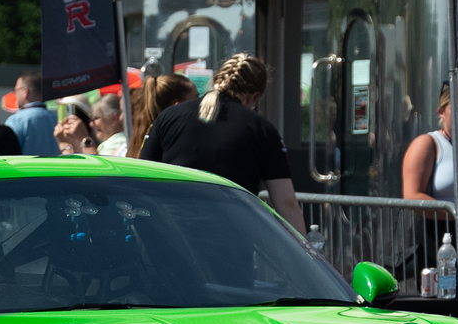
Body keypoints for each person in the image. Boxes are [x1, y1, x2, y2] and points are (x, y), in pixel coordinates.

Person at [142, 53, 306, 232]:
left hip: (173, 236)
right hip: (232, 240)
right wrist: (307, 256)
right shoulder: (262, 130)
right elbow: (287, 204)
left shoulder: (168, 117)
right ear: (254, 96)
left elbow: (141, 178)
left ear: (216, 81)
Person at [402, 82, 458, 205]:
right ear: (441, 112)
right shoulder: (427, 144)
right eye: (457, 108)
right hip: (441, 224)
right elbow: (412, 196)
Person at [128, 72, 196, 158]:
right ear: (178, 106)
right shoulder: (177, 143)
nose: (199, 101)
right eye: (196, 96)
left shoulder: (143, 135)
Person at [5, 73, 61, 158]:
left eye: (16, 90)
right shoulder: (59, 118)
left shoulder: (16, 120)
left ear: (25, 92)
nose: (15, 94)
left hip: (25, 170)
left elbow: (6, 153)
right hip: (57, 170)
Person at [93, 92, 129, 158]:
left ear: (113, 119)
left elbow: (99, 167)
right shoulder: (114, 142)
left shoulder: (119, 142)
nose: (91, 124)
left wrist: (83, 142)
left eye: (96, 118)